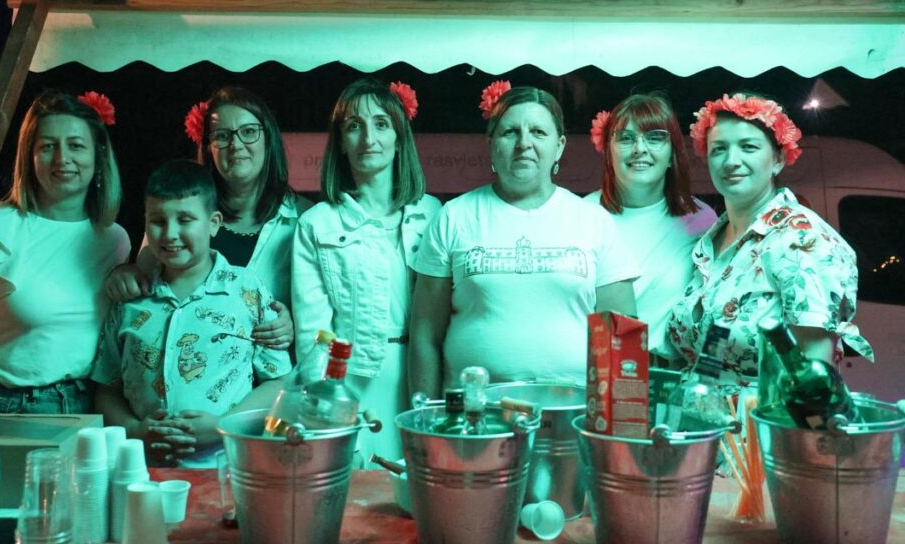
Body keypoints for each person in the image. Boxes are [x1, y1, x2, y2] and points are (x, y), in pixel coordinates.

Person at [410, 82, 639, 398]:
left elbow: (622, 337)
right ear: (491, 144)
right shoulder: (454, 218)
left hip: (573, 412)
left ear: (559, 146)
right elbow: (425, 337)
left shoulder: (594, 221)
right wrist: (426, 415)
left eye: (538, 132)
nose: (524, 143)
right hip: (474, 413)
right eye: (510, 132)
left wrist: (620, 420)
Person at [0, 90, 131, 432]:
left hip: (88, 411)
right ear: (29, 156)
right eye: (48, 146)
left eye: (76, 145)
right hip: (5, 410)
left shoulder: (115, 240)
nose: (62, 158)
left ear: (98, 155)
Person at [666, 92, 873, 388]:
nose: (731, 161)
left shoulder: (803, 239)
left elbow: (813, 377)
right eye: (719, 149)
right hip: (701, 414)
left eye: (748, 147)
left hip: (766, 416)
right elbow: (710, 353)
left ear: (778, 159)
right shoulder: (711, 242)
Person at [92, 160, 291, 466]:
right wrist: (135, 430)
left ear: (213, 223)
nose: (170, 233)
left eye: (185, 220)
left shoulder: (246, 290)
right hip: (144, 470)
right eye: (158, 221)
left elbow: (278, 382)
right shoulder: (132, 297)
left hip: (227, 469)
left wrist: (224, 426)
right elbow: (106, 388)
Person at [291, 78, 440, 465]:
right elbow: (314, 339)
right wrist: (336, 417)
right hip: (354, 383)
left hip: (427, 376)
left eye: (381, 124)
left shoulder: (433, 214)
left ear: (399, 137)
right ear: (340, 141)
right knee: (364, 492)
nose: (368, 138)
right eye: (354, 126)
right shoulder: (318, 224)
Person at [106, 86, 307, 351]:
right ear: (209, 147)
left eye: (248, 132)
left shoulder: (305, 219)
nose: (236, 145)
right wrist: (124, 274)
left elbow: (319, 307)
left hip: (269, 370)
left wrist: (296, 322)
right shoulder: (180, 212)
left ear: (268, 139)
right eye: (222, 135)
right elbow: (144, 283)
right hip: (189, 364)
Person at [583, 93, 717, 362]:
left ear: (672, 155)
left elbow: (716, 308)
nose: (639, 149)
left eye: (655, 138)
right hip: (598, 371)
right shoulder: (582, 216)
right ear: (608, 152)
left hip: (673, 375)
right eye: (626, 138)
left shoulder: (700, 219)